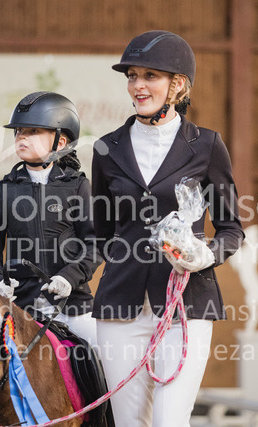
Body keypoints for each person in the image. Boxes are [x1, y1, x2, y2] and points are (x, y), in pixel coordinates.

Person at [91, 30, 245, 426]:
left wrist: (204, 254)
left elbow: (231, 228)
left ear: (178, 85)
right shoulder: (106, 149)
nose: (137, 85)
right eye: (132, 76)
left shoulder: (207, 145)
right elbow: (101, 235)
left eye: (150, 76)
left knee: (169, 421)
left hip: (185, 305)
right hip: (120, 308)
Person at [0, 91, 100, 346]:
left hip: (72, 305)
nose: (22, 137)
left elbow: (94, 245)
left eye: (33, 131)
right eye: (19, 131)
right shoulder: (4, 190)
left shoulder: (78, 186)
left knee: (102, 353)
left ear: (60, 141)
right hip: (21, 307)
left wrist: (68, 277)